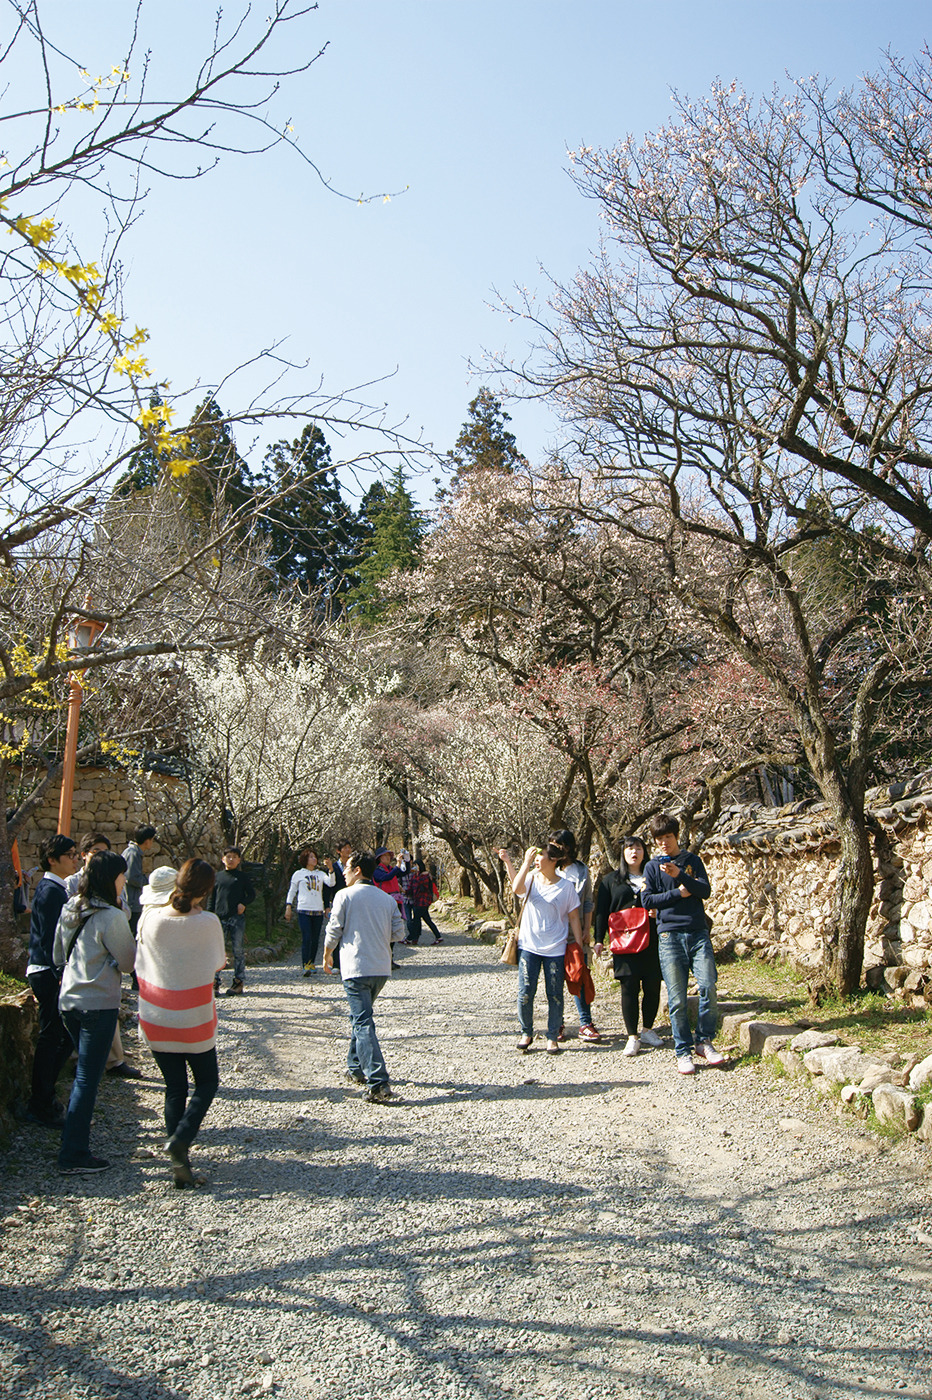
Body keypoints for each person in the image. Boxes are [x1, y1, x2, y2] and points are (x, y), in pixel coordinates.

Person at [135, 859, 225, 1187]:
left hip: (156, 1017)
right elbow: (218, 963)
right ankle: (181, 1140)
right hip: (194, 1018)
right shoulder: (208, 922)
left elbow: (137, 961)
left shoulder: (150, 919)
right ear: (206, 889)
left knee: (174, 1088)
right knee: (206, 1082)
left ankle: (180, 1164)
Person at [54, 850, 137, 1173]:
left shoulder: (71, 907)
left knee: (83, 1077)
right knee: (88, 1079)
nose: (125, 881)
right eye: (122, 875)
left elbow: (59, 954)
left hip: (69, 1000)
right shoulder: (113, 916)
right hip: (98, 1003)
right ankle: (73, 1153)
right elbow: (129, 962)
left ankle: (74, 1144)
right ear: (111, 878)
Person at [641, 813, 724, 1076]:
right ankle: (682, 1050)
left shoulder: (691, 861)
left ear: (676, 836)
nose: (664, 843)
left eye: (668, 837)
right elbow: (647, 901)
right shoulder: (652, 867)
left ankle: (704, 1040)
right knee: (676, 998)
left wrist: (681, 876)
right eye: (659, 839)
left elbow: (704, 891)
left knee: (708, 985)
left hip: (697, 932)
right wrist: (677, 892)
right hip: (669, 935)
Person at [323, 849, 405, 1104]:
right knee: (361, 1016)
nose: (344, 872)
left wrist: (327, 954)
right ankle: (355, 1066)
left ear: (357, 870)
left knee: (362, 1021)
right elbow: (399, 934)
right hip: (380, 968)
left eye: (346, 868)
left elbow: (334, 928)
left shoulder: (344, 895)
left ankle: (378, 1082)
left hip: (355, 968)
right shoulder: (386, 899)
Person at [66, 831, 141, 1080]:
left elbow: (126, 912)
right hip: (85, 972)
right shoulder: (72, 887)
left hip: (86, 984)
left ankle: (113, 1061)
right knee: (87, 1075)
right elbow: (129, 962)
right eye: (96, 851)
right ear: (85, 854)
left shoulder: (113, 903)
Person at [498, 839, 584, 1055]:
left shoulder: (566, 887)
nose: (537, 859)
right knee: (526, 992)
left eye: (540, 856)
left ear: (553, 860)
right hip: (529, 946)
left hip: (556, 948)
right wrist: (524, 862)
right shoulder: (531, 878)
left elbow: (574, 917)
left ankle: (552, 1036)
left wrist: (580, 948)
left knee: (554, 993)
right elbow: (516, 888)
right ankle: (526, 1032)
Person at [24, 834, 81, 1127]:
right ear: (52, 860)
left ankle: (45, 1096)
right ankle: (41, 1102)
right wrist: (61, 975)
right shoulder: (49, 892)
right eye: (70, 854)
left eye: (75, 853)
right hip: (47, 972)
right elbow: (49, 941)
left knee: (61, 1035)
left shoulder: (56, 889)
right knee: (52, 1036)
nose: (76, 858)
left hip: (51, 971)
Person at [594, 834, 664, 1057]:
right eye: (630, 849)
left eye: (639, 848)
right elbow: (601, 912)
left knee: (652, 985)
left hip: (652, 939)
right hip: (624, 940)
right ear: (623, 853)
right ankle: (632, 1035)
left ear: (645, 852)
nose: (634, 852)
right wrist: (598, 939)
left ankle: (648, 1029)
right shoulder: (610, 881)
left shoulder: (655, 877)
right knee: (629, 987)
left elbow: (666, 901)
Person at [552, 829, 600, 1042]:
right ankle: (557, 1023)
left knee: (579, 974)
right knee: (555, 980)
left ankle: (585, 1022)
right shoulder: (547, 868)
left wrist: (587, 929)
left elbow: (588, 901)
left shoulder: (581, 871)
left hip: (575, 932)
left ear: (569, 847)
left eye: (559, 844)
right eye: (552, 843)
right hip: (552, 933)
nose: (555, 848)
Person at [207, 846, 256, 996]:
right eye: (228, 856)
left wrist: (243, 903)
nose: (231, 859)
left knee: (238, 950)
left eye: (234, 857)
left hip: (236, 918)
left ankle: (238, 982)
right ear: (223, 859)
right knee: (217, 951)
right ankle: (214, 983)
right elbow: (212, 898)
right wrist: (209, 915)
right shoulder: (217, 877)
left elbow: (252, 894)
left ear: (239, 860)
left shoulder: (242, 877)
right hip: (219, 918)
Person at [284, 848, 335, 976]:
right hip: (303, 909)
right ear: (305, 859)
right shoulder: (298, 874)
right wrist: (288, 906)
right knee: (306, 937)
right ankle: (305, 963)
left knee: (315, 938)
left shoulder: (321, 874)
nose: (314, 859)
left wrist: (330, 869)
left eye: (315, 857)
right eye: (311, 857)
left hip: (317, 909)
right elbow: (292, 891)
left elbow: (331, 883)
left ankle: (312, 962)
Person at [121, 824, 157, 938]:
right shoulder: (133, 853)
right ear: (147, 841)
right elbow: (132, 877)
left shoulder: (134, 852)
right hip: (131, 901)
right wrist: (147, 881)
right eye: (152, 839)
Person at [402, 857, 443, 946]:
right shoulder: (416, 876)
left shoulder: (425, 876)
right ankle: (438, 937)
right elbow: (411, 888)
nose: (415, 868)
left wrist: (424, 874)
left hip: (423, 901)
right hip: (418, 901)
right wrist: (403, 891)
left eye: (416, 866)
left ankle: (409, 938)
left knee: (415, 920)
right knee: (427, 920)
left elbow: (422, 885)